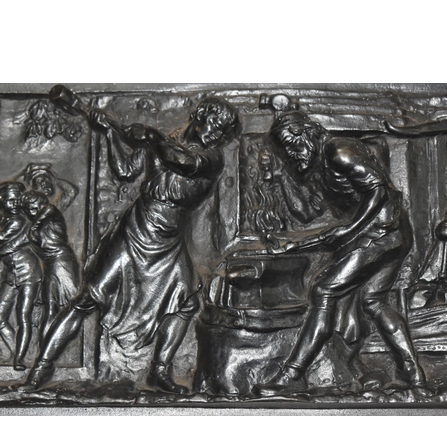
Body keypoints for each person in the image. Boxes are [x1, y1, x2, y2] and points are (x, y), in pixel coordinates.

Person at [26, 98, 239, 391]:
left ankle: (159, 371)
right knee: (88, 298)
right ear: (199, 117)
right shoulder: (163, 143)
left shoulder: (211, 158)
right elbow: (125, 171)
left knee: (186, 301)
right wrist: (110, 134)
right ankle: (41, 369)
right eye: (215, 125)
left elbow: (182, 162)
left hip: (169, 240)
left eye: (223, 133)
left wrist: (151, 136)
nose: (216, 135)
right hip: (137, 229)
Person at [253, 111, 425, 396]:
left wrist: (350, 230)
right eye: (285, 150)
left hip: (381, 232)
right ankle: (413, 373)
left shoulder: (339, 150)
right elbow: (312, 216)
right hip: (387, 233)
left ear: (306, 133)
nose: (291, 154)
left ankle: (292, 375)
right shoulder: (318, 165)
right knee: (373, 301)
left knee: (323, 291)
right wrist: (294, 243)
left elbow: (378, 191)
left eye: (292, 144)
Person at [22, 190, 79, 340]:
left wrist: (34, 228)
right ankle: (45, 347)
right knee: (49, 309)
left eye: (35, 207)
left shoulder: (49, 211)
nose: (33, 212)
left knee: (71, 305)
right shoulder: (30, 229)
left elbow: (48, 209)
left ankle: (62, 340)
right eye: (29, 210)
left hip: (62, 261)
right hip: (49, 266)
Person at [0, 182, 42, 370]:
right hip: (11, 274)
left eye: (17, 199)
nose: (15, 203)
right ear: (2, 200)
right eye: (10, 200)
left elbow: (2, 240)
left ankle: (19, 358)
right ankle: (9, 352)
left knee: (23, 316)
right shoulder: (7, 219)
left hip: (28, 273)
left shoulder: (18, 220)